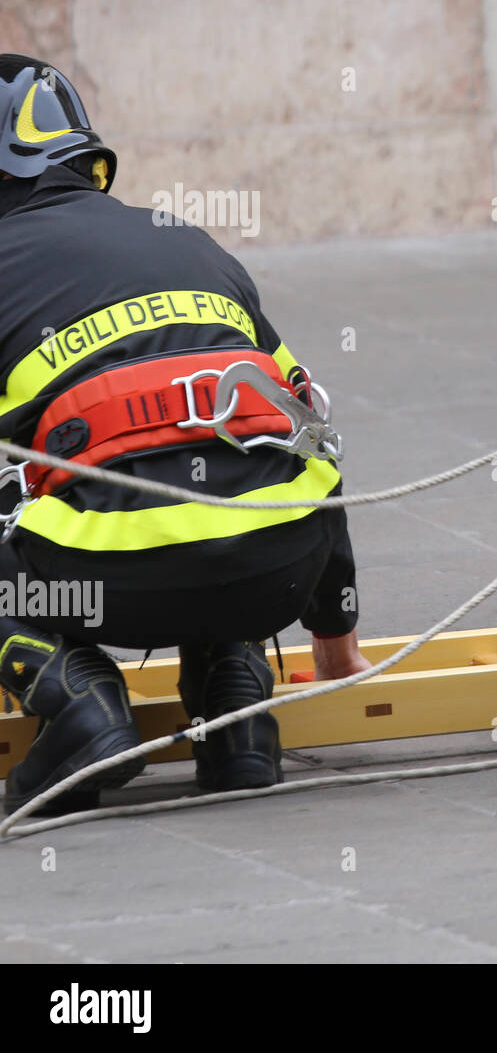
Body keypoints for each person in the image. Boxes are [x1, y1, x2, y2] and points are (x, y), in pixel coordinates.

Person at [0, 55, 368, 815]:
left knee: (129, 480)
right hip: (278, 566)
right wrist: (334, 631)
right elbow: (309, 431)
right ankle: (235, 713)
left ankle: (79, 702)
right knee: (225, 462)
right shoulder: (190, 243)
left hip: (111, 586)